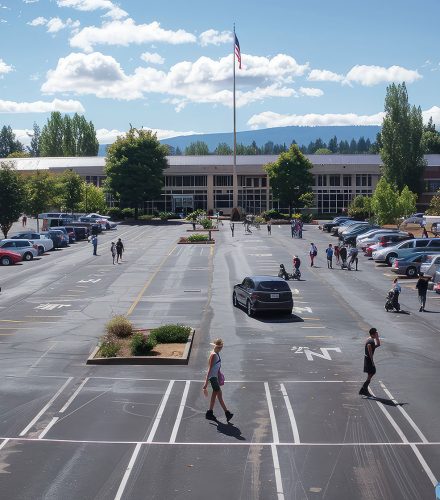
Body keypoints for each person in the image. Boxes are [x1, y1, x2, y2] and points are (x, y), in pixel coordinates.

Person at [203, 338, 233, 423]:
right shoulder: (214, 355)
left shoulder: (216, 353)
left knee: (217, 395)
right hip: (213, 378)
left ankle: (210, 412)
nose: (222, 348)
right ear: (219, 347)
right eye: (221, 347)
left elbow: (216, 367)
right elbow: (209, 369)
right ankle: (226, 413)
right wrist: (206, 383)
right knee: (218, 395)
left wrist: (219, 374)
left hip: (215, 377)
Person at [359, 328, 381, 397]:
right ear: (373, 334)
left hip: (368, 359)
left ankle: (364, 389)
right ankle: (364, 389)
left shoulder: (371, 340)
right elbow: (370, 351)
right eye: (376, 333)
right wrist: (372, 361)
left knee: (371, 373)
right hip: (368, 359)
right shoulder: (370, 341)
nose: (377, 334)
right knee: (372, 372)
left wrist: (377, 338)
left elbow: (377, 345)